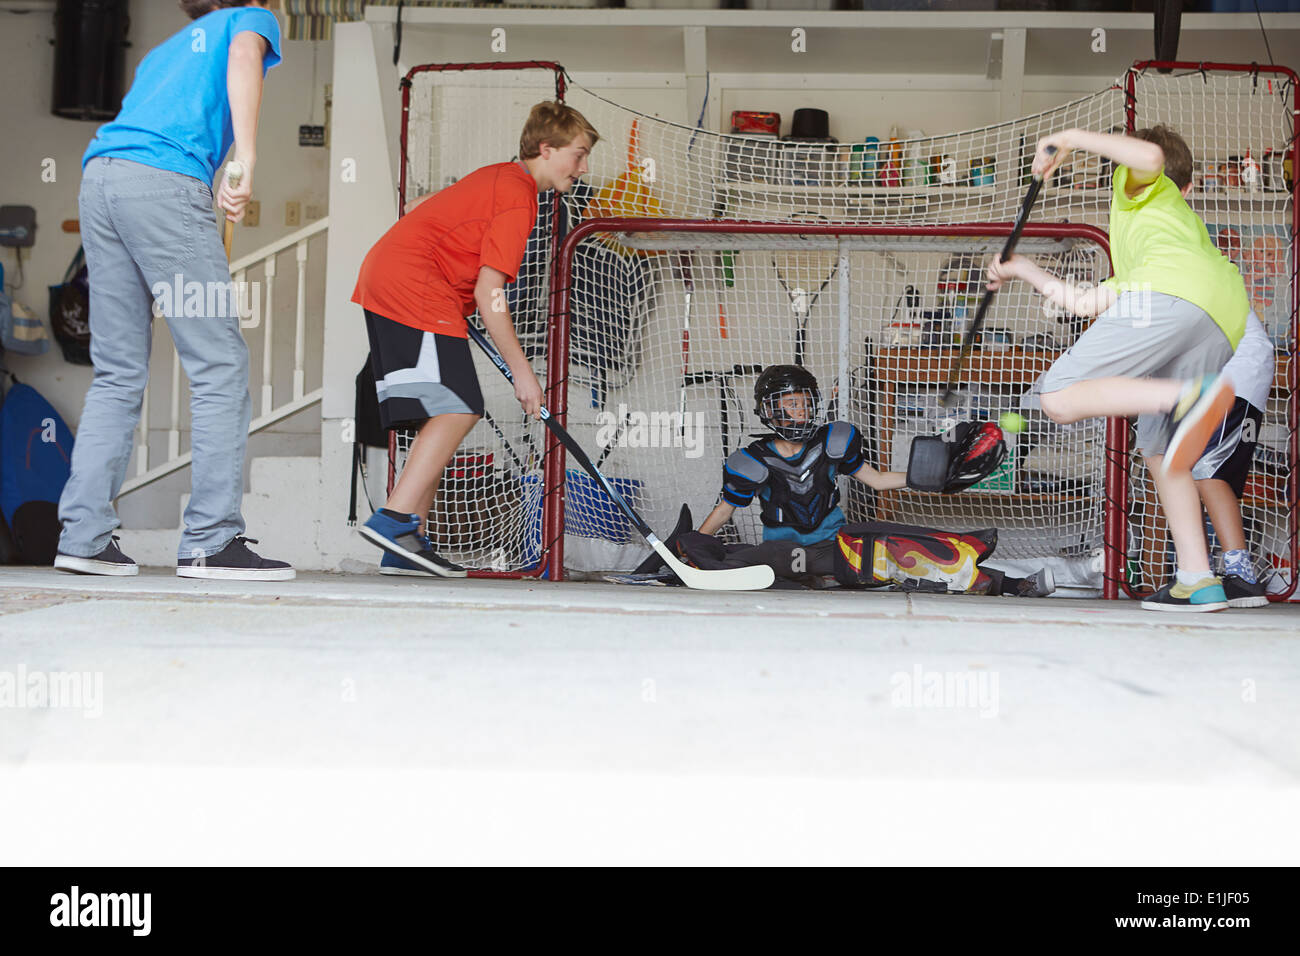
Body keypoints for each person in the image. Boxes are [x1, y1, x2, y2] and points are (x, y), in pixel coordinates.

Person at [55, 0, 292, 580]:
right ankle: (211, 541)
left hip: (102, 180)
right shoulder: (251, 18)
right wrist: (247, 155)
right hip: (163, 185)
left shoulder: (164, 50)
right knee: (219, 362)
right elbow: (242, 55)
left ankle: (82, 538)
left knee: (116, 370)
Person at [985, 124, 1250, 612]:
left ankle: (1186, 398)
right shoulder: (1165, 241)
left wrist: (1067, 138)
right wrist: (1018, 268)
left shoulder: (1141, 192)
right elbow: (1083, 302)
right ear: (1188, 188)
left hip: (1168, 299)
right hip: (1219, 315)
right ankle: (1198, 578)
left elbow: (1149, 155)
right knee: (1163, 452)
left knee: (1056, 395)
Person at [353, 102, 598, 576]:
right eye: (579, 153)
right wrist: (524, 374)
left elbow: (445, 240)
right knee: (459, 406)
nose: (584, 167)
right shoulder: (518, 195)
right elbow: (492, 293)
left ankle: (403, 545)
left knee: (437, 412)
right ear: (546, 149)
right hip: (414, 286)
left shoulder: (502, 180)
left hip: (403, 282)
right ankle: (392, 521)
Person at [685, 365, 1054, 597]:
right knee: (755, 560)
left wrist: (928, 479)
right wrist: (693, 547)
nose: (799, 411)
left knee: (901, 546)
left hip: (835, 545)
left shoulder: (833, 440)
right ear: (770, 409)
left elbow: (875, 481)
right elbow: (725, 510)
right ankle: (807, 576)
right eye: (789, 403)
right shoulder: (750, 460)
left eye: (803, 402)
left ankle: (1011, 584)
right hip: (782, 553)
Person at [1192, 310, 1274, 607]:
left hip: (1234, 375)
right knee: (1196, 475)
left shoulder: (1180, 274)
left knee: (1208, 474)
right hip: (1227, 375)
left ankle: (1242, 576)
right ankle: (1199, 572)